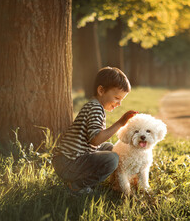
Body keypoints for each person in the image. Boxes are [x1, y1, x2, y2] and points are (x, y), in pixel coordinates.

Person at [52, 66, 138, 195]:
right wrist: (120, 123)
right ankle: (77, 186)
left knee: (110, 148)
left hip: (69, 160)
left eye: (121, 100)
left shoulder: (94, 105)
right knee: (112, 159)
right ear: (101, 90)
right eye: (116, 98)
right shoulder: (95, 108)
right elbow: (96, 140)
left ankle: (109, 180)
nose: (119, 103)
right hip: (68, 163)